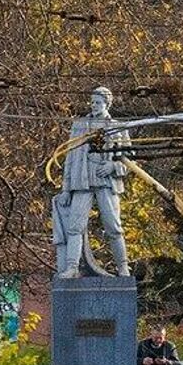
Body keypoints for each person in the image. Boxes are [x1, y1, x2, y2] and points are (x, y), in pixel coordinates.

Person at [52, 86, 130, 277]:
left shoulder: (118, 127)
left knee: (113, 226)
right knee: (75, 227)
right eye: (93, 102)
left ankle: (123, 267)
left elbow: (129, 160)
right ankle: (72, 267)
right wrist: (65, 189)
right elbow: (70, 160)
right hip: (82, 182)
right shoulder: (79, 126)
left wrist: (113, 167)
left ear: (107, 103)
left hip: (106, 183)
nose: (94, 105)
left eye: (98, 102)